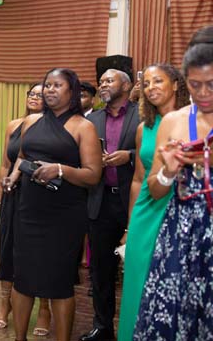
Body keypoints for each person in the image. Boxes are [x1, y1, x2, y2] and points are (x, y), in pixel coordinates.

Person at [9, 68, 102, 341]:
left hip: (64, 216)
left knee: (60, 283)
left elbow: (93, 175)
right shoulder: (31, 121)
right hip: (28, 210)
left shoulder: (83, 126)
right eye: (47, 85)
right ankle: (19, 338)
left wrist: (60, 169)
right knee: (23, 279)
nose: (49, 90)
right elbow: (22, 156)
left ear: (72, 91)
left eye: (57, 85)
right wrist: (13, 177)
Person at [133, 26, 213, 340]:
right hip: (181, 234)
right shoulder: (173, 121)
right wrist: (167, 171)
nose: (203, 93)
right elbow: (155, 189)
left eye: (211, 84)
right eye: (195, 85)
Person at [117, 64, 190, 340]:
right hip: (146, 211)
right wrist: (130, 226)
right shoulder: (143, 128)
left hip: (181, 207)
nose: (150, 88)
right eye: (146, 84)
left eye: (158, 81)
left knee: (176, 283)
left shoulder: (193, 121)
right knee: (138, 280)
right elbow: (138, 179)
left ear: (176, 84)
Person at [82, 69, 139, 341]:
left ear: (126, 86)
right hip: (100, 200)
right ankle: (102, 327)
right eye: (101, 81)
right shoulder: (91, 119)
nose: (102, 84)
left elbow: (155, 150)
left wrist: (129, 156)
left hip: (135, 202)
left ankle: (136, 327)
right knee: (101, 270)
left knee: (136, 267)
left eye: (109, 80)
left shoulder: (143, 115)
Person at [0, 84, 51, 337]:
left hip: (40, 194)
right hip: (13, 194)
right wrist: (1, 192)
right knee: (7, 248)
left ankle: (45, 308)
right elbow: (6, 162)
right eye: (32, 94)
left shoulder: (53, 127)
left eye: (40, 94)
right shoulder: (14, 125)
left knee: (40, 253)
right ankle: (4, 303)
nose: (35, 97)